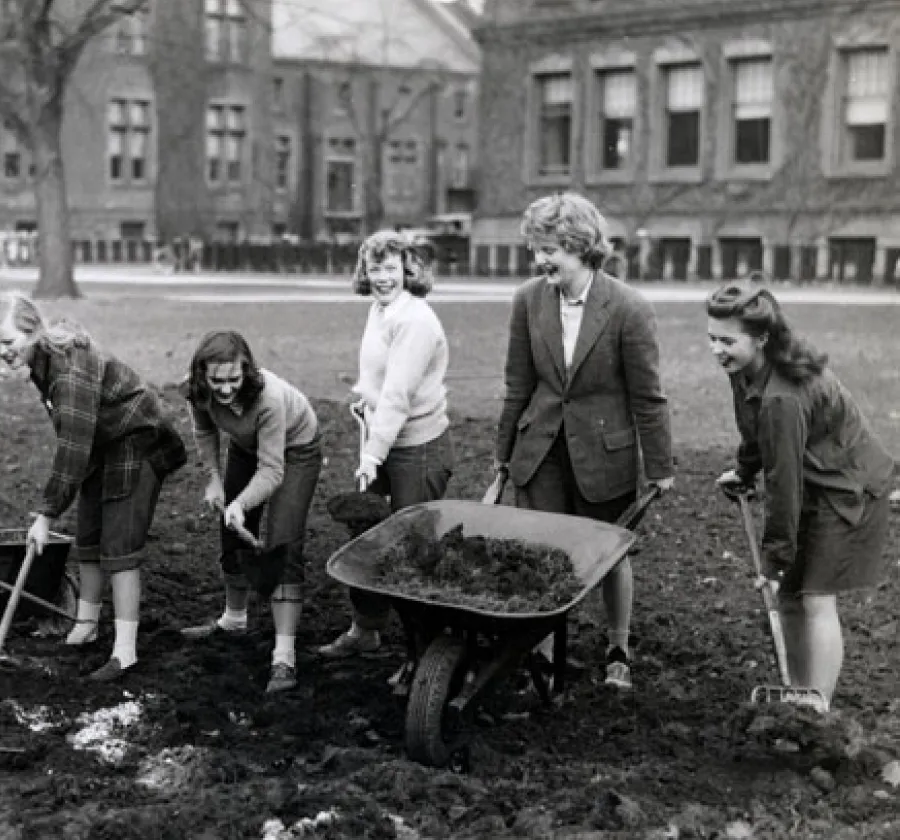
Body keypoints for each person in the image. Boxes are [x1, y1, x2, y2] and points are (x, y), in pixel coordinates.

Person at [493, 192, 674, 691]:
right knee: (541, 551)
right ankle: (543, 660)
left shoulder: (628, 308)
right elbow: (517, 386)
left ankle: (618, 648)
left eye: (550, 248)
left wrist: (660, 467)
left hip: (604, 453)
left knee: (608, 552)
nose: (540, 259)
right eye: (537, 247)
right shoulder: (528, 300)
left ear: (580, 245)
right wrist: (502, 457)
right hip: (541, 449)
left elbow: (649, 396)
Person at [0, 292, 187, 682]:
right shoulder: (41, 356)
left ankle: (125, 651)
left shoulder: (67, 373)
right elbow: (77, 439)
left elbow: (73, 447)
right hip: (103, 443)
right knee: (89, 539)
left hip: (136, 442)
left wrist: (46, 514)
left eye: (10, 343)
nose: (4, 352)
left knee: (120, 548)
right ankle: (86, 624)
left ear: (33, 331)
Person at [708, 282, 893, 711]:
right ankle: (797, 696)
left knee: (815, 596)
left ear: (761, 339)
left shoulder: (783, 398)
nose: (717, 350)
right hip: (814, 481)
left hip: (848, 490)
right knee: (788, 597)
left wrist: (774, 561)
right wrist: (744, 469)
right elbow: (756, 435)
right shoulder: (746, 370)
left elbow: (784, 485)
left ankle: (817, 711)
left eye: (727, 341)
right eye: (712, 338)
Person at [319, 230, 453, 664]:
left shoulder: (414, 320)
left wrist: (371, 455)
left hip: (417, 447)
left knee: (413, 551)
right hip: (384, 439)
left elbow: (397, 396)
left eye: (391, 268)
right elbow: (378, 384)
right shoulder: (380, 311)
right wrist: (366, 407)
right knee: (366, 536)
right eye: (374, 268)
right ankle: (366, 629)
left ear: (408, 270)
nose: (382, 277)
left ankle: (422, 654)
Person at [179, 331, 323, 694]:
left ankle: (284, 656)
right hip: (245, 446)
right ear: (201, 376)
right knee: (230, 529)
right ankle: (234, 619)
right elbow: (205, 432)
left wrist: (241, 503)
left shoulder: (269, 399)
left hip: (296, 450)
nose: (225, 389)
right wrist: (215, 482)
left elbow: (273, 470)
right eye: (216, 381)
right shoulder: (195, 391)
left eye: (233, 379)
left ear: (246, 371)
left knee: (282, 542)